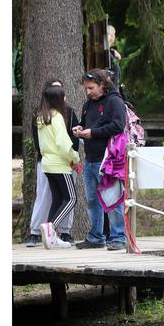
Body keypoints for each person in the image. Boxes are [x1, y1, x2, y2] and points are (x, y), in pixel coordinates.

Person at [71, 68, 127, 249]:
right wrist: (80, 128)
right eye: (86, 88)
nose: (88, 92)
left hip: (107, 159)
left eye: (91, 88)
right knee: (93, 201)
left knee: (113, 198)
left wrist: (93, 133)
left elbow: (118, 125)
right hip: (90, 159)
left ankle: (118, 237)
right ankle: (96, 236)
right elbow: (85, 123)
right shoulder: (88, 104)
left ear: (102, 84)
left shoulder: (114, 101)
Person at [36, 82, 79, 248]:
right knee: (71, 198)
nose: (65, 98)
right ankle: (51, 227)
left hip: (47, 163)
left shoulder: (42, 117)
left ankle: (51, 236)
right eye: (63, 96)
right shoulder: (57, 117)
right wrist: (75, 158)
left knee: (57, 199)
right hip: (60, 164)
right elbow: (63, 143)